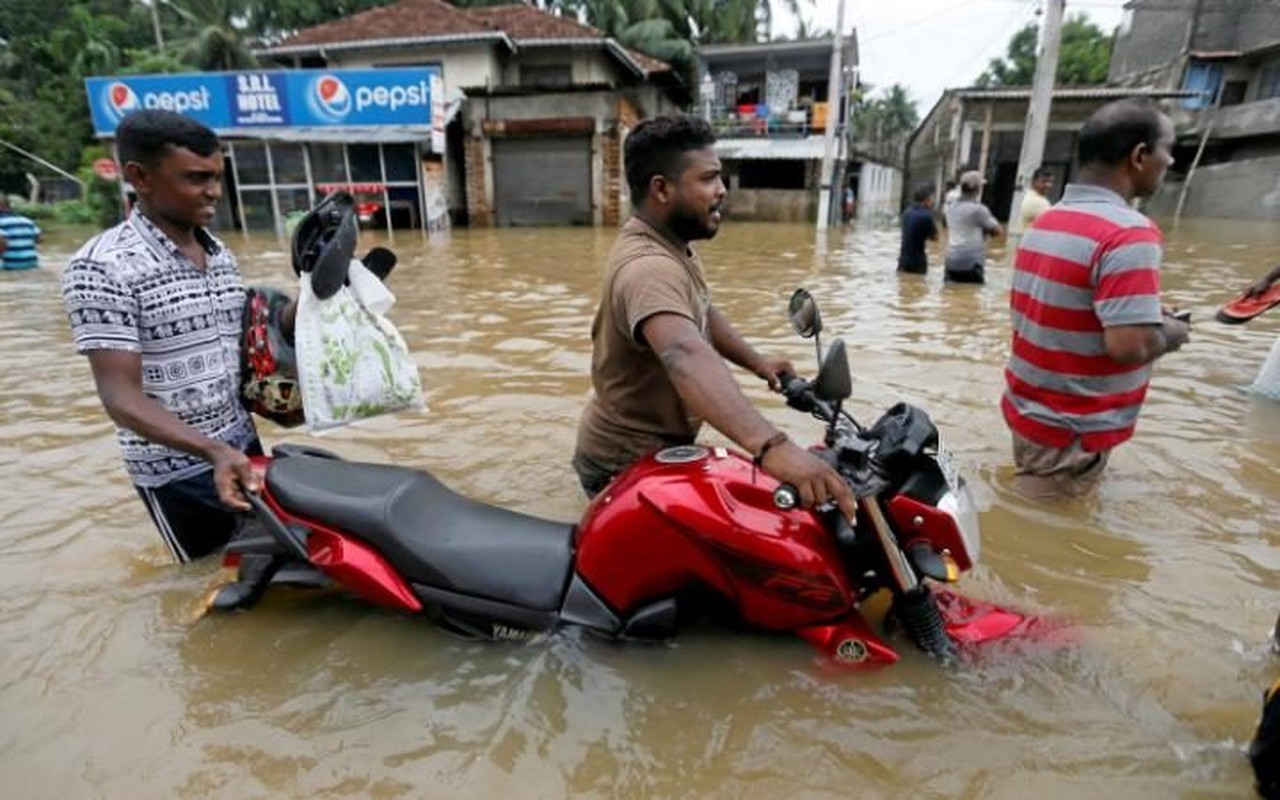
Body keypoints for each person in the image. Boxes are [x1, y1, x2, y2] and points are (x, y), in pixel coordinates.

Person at [572, 113, 855, 518]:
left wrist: (757, 362)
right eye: (708, 179)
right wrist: (772, 447)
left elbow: (702, 313)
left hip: (658, 449)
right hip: (623, 463)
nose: (722, 190)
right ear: (661, 189)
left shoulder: (674, 248)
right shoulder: (649, 267)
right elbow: (683, 353)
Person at [60, 109, 293, 562]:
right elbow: (119, 396)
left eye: (218, 177)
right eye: (196, 178)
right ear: (140, 177)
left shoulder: (219, 253)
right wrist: (211, 451)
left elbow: (247, 348)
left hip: (240, 450)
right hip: (177, 474)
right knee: (210, 581)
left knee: (271, 572)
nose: (215, 192)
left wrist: (311, 307)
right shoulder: (101, 268)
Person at [1001, 98, 1191, 497]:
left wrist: (1140, 311)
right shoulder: (1129, 234)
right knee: (1040, 537)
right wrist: (1171, 331)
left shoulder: (1047, 221)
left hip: (1030, 410)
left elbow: (1062, 306)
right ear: (1139, 156)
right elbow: (1130, 345)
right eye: (1167, 151)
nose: (1170, 162)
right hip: (1073, 430)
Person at [942, 170, 1002, 283]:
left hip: (951, 261)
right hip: (971, 264)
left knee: (949, 297)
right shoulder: (978, 210)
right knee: (971, 296)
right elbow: (998, 231)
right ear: (977, 189)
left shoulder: (950, 207)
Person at [1008, 165, 1054, 250]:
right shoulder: (1038, 201)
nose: (1048, 185)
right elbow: (1054, 226)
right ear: (1033, 182)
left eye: (1050, 182)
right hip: (1035, 247)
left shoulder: (1031, 196)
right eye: (1044, 181)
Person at [898, 181, 939, 274]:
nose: (932, 201)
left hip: (903, 261)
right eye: (931, 198)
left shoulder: (906, 213)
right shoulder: (926, 216)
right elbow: (935, 237)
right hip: (917, 264)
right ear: (926, 200)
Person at [0, 196, 42, 270]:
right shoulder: (27, 221)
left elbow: (2, 241)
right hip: (32, 261)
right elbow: (38, 238)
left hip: (10, 264)